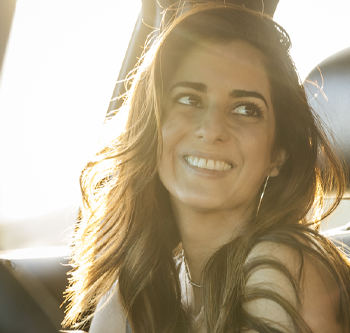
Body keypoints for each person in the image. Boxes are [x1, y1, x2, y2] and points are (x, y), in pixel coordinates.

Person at [62, 2, 350, 332]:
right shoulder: (144, 284)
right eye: (189, 99)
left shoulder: (283, 267)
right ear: (153, 129)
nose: (212, 129)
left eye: (245, 109)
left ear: (278, 153)